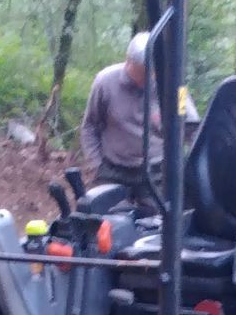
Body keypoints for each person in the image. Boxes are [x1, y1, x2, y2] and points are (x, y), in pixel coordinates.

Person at [79, 31, 193, 196]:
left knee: (156, 220)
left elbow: (191, 128)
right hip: (113, 171)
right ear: (128, 61)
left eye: (151, 72)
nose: (144, 78)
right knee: (104, 218)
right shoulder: (104, 82)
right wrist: (97, 165)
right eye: (140, 72)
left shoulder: (177, 88)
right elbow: (89, 126)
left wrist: (191, 166)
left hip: (157, 173)